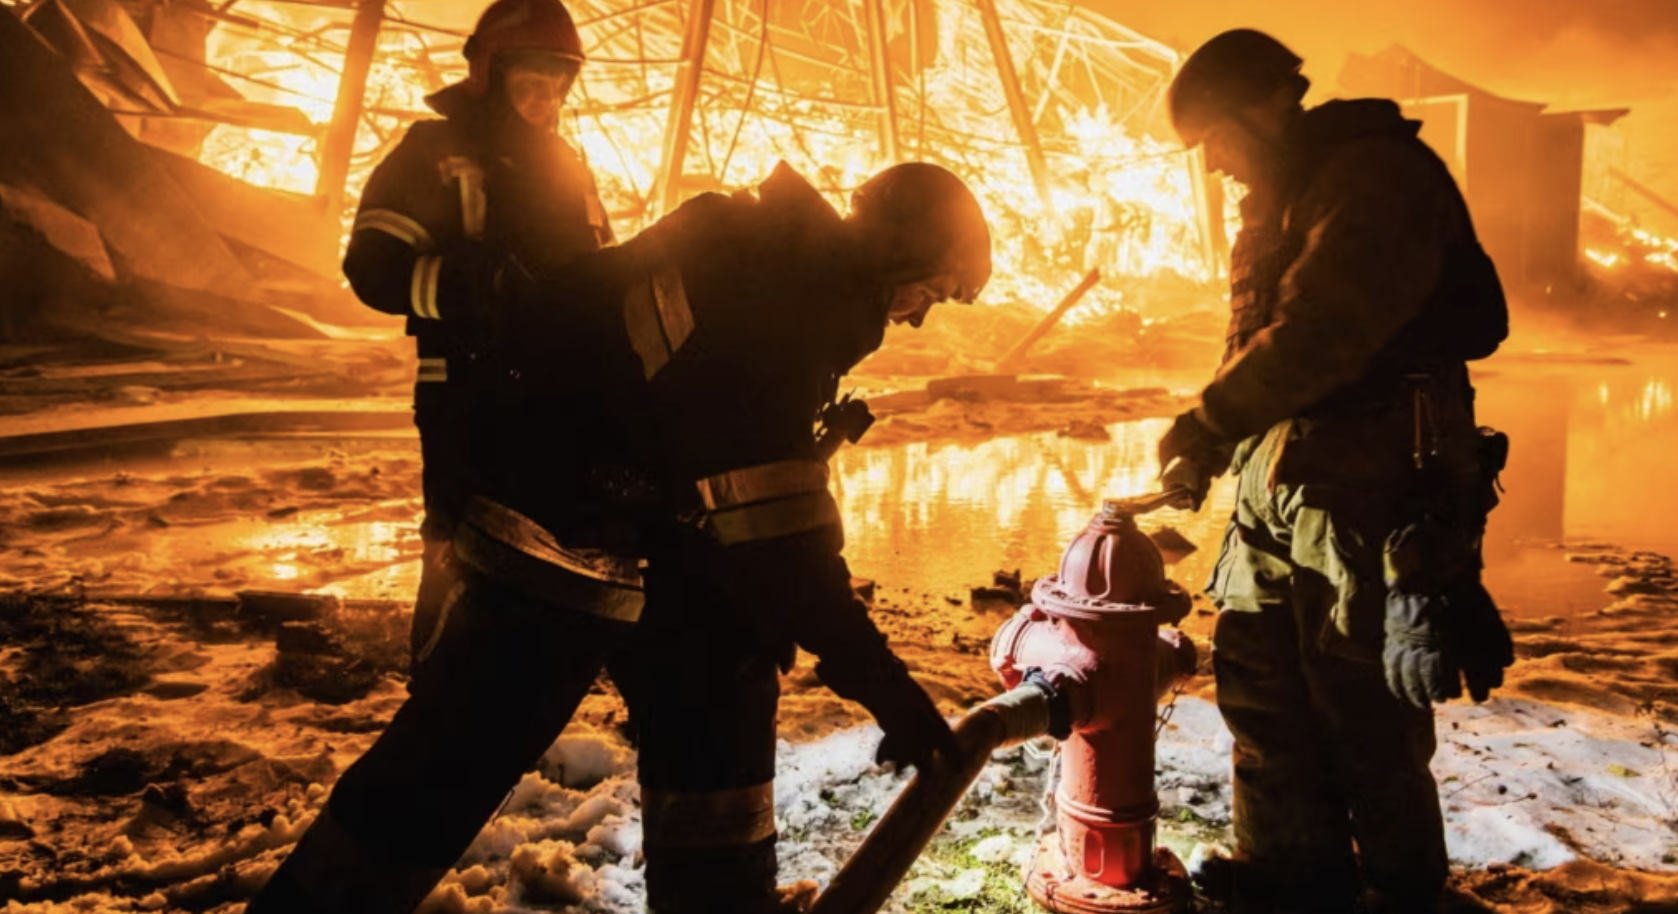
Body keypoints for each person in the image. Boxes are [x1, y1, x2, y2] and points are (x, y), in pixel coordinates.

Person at [245, 160, 992, 914]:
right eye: (927, 292)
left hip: (635, 527)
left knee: (721, 681)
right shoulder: (776, 294)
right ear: (897, 249)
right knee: (447, 767)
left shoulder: (771, 258)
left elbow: (722, 482)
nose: (915, 317)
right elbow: (784, 539)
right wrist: (886, 688)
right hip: (547, 534)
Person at [1154, 29, 1514, 914]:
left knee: (1361, 700)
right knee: (1260, 683)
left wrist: (1212, 418)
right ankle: (1290, 872)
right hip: (1283, 477)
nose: (1216, 166)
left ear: (1267, 106)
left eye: (1218, 140)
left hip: (1369, 479)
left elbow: (1325, 331)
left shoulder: (1373, 176)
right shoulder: (1284, 196)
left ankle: (1400, 891)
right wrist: (1215, 445)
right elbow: (1261, 341)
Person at [339, 0, 613, 672]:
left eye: (556, 85)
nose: (545, 100)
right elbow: (371, 267)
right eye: (530, 83)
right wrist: (468, 288)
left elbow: (602, 271)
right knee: (459, 554)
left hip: (560, 397)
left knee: (554, 552)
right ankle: (436, 689)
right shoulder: (433, 153)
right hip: (467, 391)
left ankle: (523, 689)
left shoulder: (567, 165)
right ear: (489, 75)